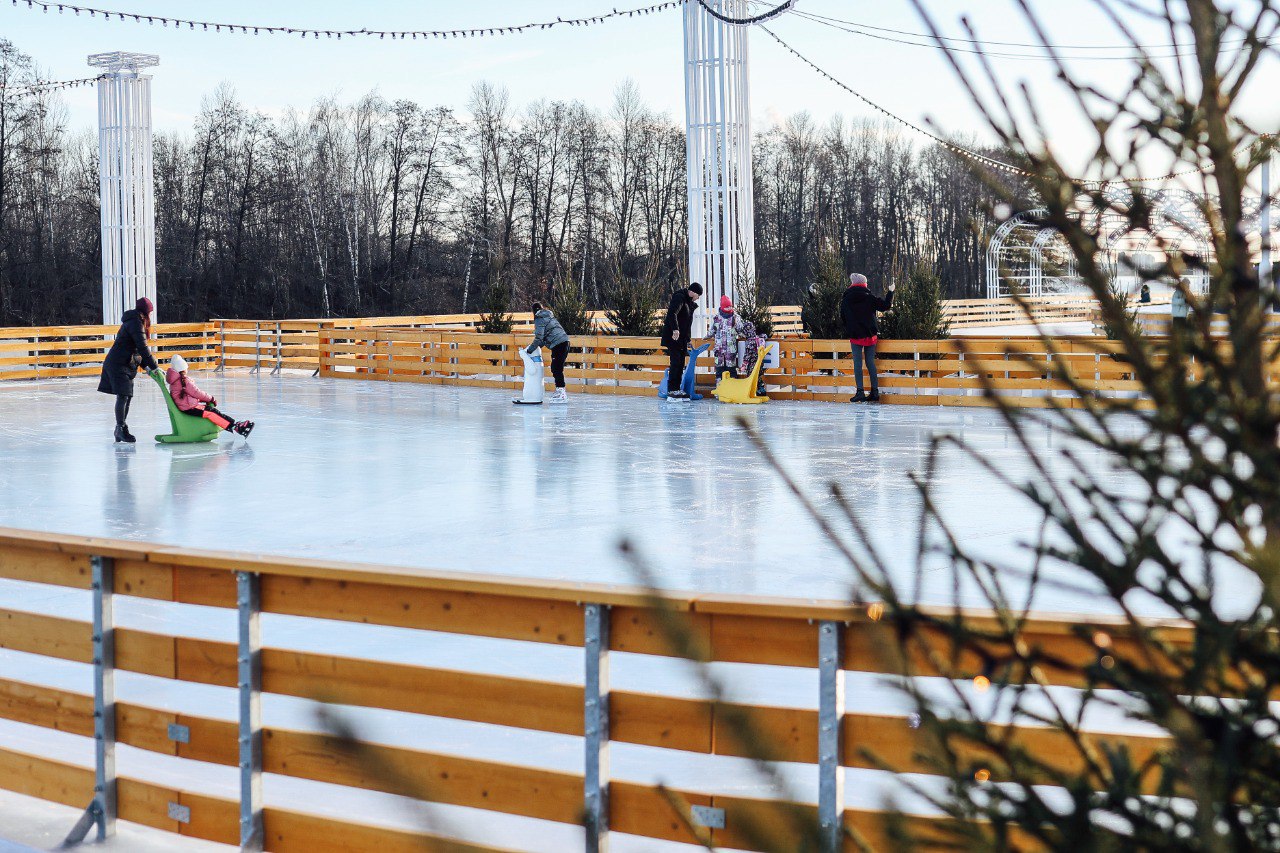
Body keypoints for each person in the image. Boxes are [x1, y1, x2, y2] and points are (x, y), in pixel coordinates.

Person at [98, 296, 160, 443]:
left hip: (124, 363)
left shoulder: (136, 321)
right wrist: (155, 367)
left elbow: (138, 351)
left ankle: (121, 428)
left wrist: (147, 367)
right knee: (123, 395)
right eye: (150, 312)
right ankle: (120, 429)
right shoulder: (135, 322)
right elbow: (143, 348)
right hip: (118, 364)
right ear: (146, 312)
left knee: (127, 395)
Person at [166, 354, 255, 437]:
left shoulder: (176, 381)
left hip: (188, 406)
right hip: (189, 408)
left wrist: (203, 400)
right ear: (184, 369)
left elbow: (187, 396)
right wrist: (211, 398)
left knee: (212, 410)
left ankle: (234, 424)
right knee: (211, 413)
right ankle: (235, 427)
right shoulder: (184, 381)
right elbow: (196, 392)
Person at [840, 273, 895, 403]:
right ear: (864, 284)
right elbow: (885, 306)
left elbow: (842, 316)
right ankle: (874, 392)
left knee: (857, 364)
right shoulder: (869, 297)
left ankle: (860, 392)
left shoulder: (846, 299)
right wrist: (890, 292)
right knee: (870, 363)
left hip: (855, 335)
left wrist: (850, 327)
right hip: (870, 335)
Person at [660, 282, 703, 401]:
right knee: (675, 362)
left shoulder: (689, 303)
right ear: (693, 292)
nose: (698, 298)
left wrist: (688, 339)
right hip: (673, 337)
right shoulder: (679, 297)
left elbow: (687, 323)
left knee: (680, 363)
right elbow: (672, 313)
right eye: (698, 295)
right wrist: (675, 329)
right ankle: (672, 390)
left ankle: (676, 389)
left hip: (682, 339)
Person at [527, 301, 571, 403]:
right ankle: (560, 390)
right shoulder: (548, 316)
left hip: (558, 344)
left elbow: (538, 338)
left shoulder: (539, 318)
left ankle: (561, 392)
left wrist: (529, 350)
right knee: (556, 367)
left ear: (534, 311)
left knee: (556, 368)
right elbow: (543, 338)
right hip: (565, 342)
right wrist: (538, 347)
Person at [710, 295, 746, 381]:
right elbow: (713, 329)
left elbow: (740, 329)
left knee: (731, 369)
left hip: (731, 349)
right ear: (722, 307)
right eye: (727, 306)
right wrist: (708, 335)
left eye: (730, 306)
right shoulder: (717, 318)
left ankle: (732, 389)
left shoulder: (735, 317)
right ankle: (719, 390)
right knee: (719, 370)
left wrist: (745, 335)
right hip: (719, 349)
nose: (729, 308)